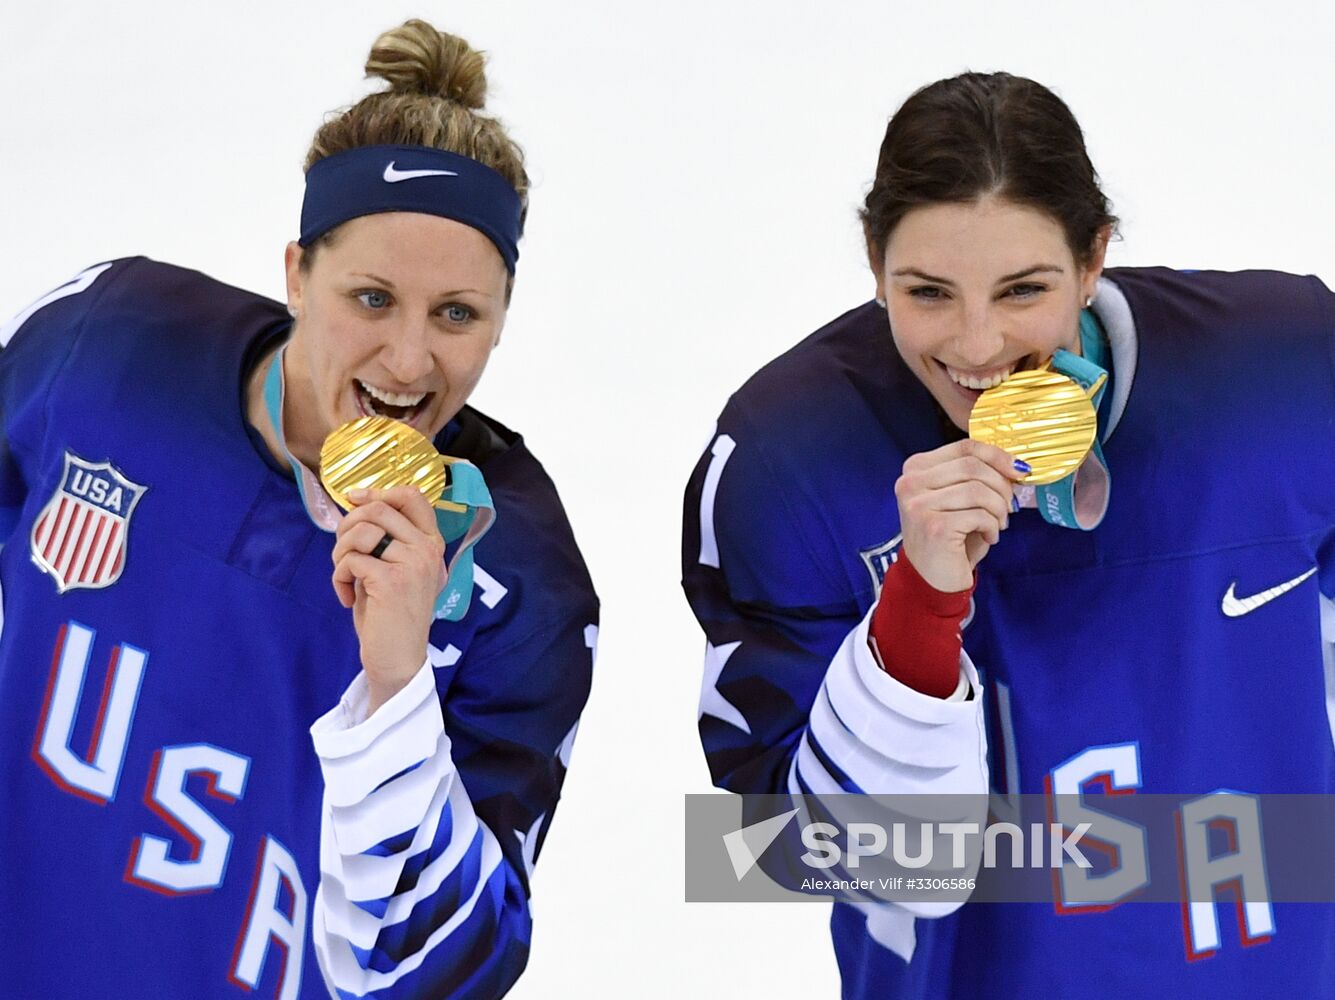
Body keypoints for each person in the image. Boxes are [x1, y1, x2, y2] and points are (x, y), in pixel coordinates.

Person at [682, 71, 1335, 997]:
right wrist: (918, 603)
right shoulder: (787, 455)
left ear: (1093, 255)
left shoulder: (1283, 367)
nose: (978, 346)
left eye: (1023, 289)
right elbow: (790, 848)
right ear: (872, 260)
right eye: (928, 293)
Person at [0, 19, 597, 1000]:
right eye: (370, 298)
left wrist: (399, 681)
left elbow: (444, 973)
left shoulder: (517, 576)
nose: (410, 362)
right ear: (296, 272)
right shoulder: (105, 353)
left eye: (458, 314)